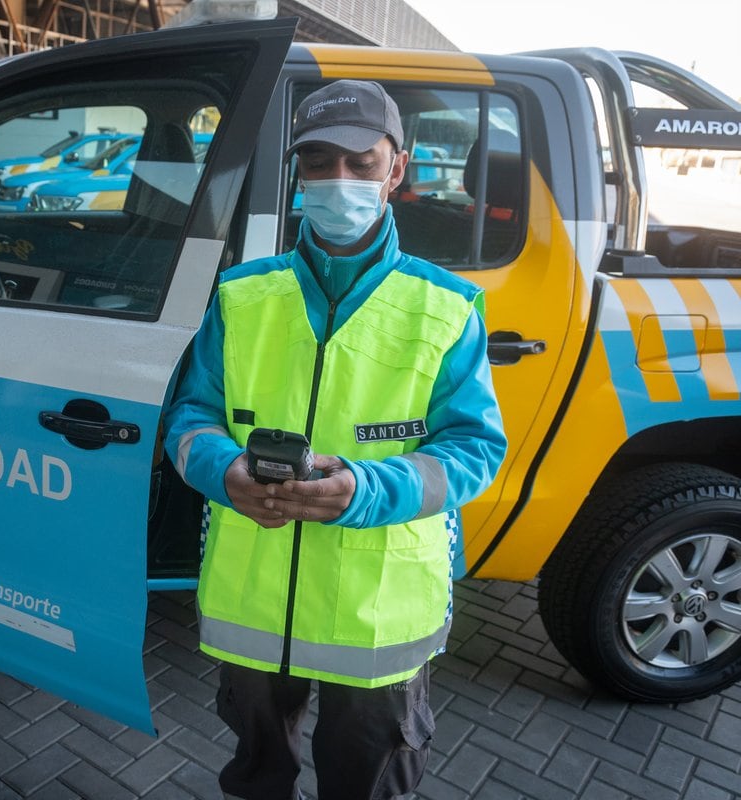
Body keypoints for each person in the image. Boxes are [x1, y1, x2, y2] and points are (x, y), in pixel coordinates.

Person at [163, 80, 507, 800]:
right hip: (254, 600)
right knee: (257, 776)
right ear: (298, 171)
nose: (337, 181)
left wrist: (366, 489)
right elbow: (189, 420)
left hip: (376, 613)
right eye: (318, 162)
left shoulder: (445, 307)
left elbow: (475, 451)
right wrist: (223, 471)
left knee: (370, 781)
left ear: (397, 169)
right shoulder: (241, 294)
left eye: (360, 162)